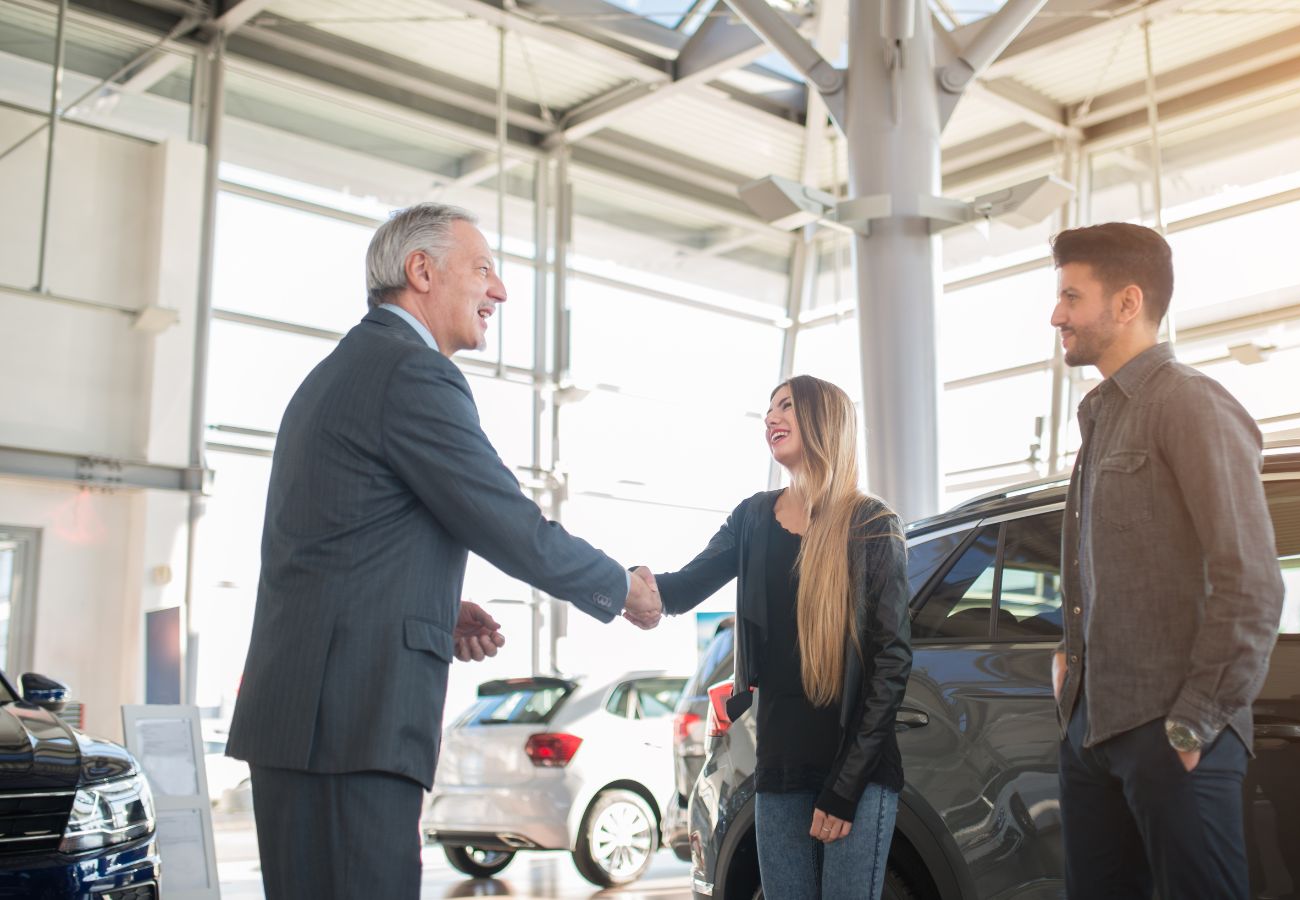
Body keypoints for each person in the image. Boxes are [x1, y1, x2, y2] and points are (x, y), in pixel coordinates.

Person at [225, 203, 662, 899]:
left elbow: (334, 541)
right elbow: (507, 523)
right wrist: (624, 588)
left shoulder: (339, 372)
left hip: (302, 719)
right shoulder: (411, 373)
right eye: (484, 269)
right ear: (420, 271)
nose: (502, 291)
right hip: (354, 723)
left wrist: (430, 601)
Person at [1049, 222, 1285, 898]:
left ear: (1126, 303)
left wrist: (1194, 721)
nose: (1056, 314)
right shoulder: (1102, 419)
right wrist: (1071, 669)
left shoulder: (1189, 402)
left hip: (1169, 734)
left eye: (1071, 296)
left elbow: (1252, 579)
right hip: (1093, 732)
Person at [629, 375, 911, 900]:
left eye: (787, 406)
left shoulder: (873, 526)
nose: (771, 418)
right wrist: (623, 584)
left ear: (825, 420)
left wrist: (845, 788)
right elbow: (682, 588)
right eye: (768, 409)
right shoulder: (752, 518)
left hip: (858, 772)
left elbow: (891, 663)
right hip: (779, 765)